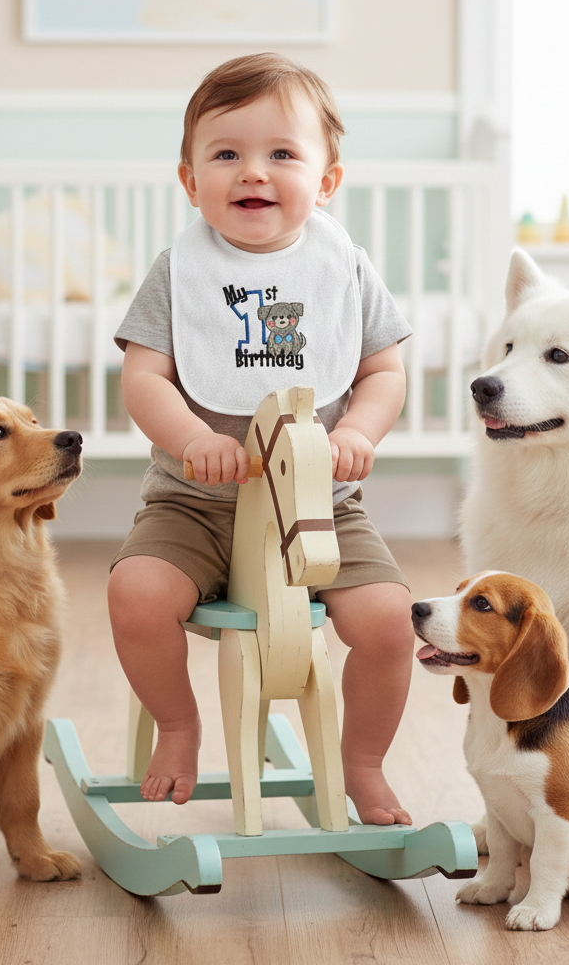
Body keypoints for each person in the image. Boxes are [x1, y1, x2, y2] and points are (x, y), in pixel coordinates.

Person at [108, 53, 414, 826]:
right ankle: (179, 726)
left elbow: (385, 370)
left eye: (282, 153)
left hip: (321, 501)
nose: (254, 172)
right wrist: (186, 438)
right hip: (197, 502)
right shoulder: (179, 269)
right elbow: (144, 378)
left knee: (386, 621)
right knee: (135, 597)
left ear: (327, 180)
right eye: (226, 154)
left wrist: (359, 430)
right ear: (190, 181)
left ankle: (363, 764)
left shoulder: (342, 266)